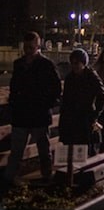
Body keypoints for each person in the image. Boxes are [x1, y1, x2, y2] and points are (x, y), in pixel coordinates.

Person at [3, 32, 62, 186]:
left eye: (31, 47)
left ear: (37, 46)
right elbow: (14, 87)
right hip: (23, 114)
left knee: (42, 149)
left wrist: (46, 103)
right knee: (18, 150)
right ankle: (10, 179)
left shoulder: (45, 65)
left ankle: (46, 176)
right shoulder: (20, 64)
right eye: (26, 47)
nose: (28, 50)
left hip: (38, 113)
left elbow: (56, 88)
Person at [60, 49, 104, 156]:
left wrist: (94, 115)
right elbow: (66, 100)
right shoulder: (70, 78)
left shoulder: (91, 76)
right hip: (71, 119)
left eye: (77, 63)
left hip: (85, 118)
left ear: (83, 63)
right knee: (72, 151)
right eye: (72, 63)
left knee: (87, 149)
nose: (74, 66)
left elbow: (102, 97)